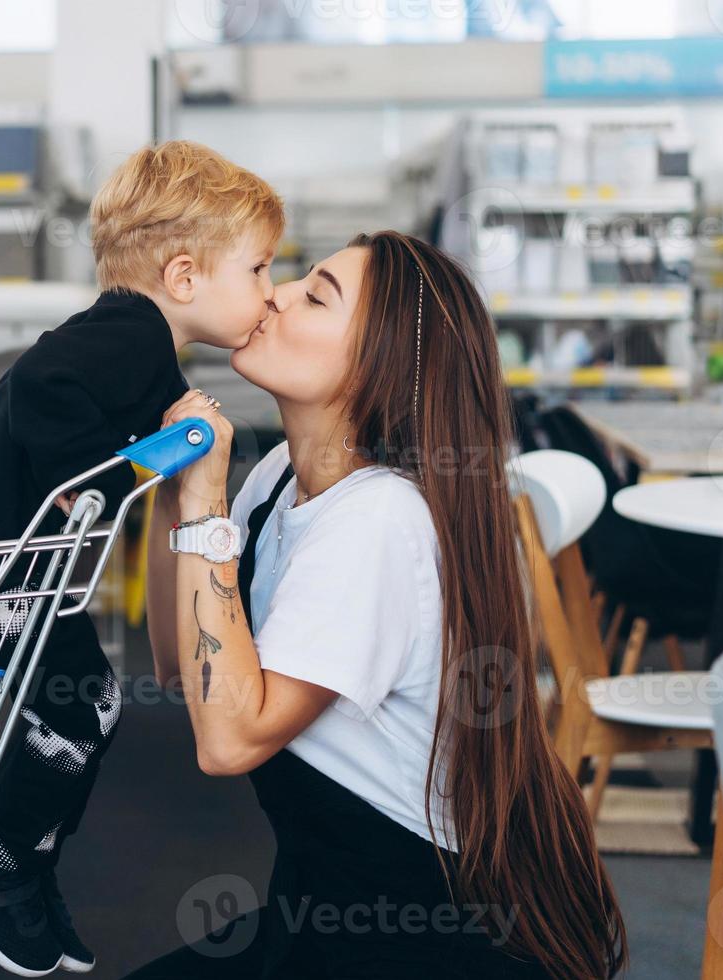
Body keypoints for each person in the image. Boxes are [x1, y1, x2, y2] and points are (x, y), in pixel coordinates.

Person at [138, 231, 627, 978]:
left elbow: (229, 743)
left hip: (424, 934)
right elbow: (183, 672)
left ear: (379, 364)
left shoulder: (378, 519)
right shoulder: (276, 477)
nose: (276, 293)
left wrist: (205, 499)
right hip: (322, 902)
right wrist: (170, 485)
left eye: (316, 293)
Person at [0, 140, 284, 976]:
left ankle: (21, 864)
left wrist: (145, 455)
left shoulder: (139, 340)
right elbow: (44, 390)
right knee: (86, 707)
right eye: (257, 269)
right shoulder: (129, 334)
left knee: (94, 703)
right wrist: (95, 474)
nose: (270, 290)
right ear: (184, 277)